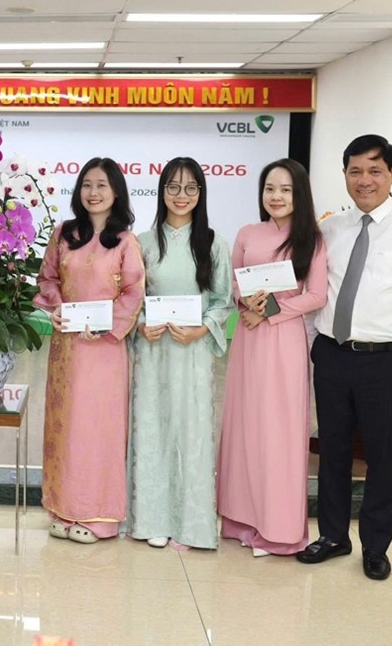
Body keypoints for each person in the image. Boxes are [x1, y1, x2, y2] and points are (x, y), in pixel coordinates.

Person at [297, 134, 392, 580]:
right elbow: (317, 296)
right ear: (344, 174)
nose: (365, 180)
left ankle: (376, 546)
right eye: (356, 171)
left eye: (375, 171)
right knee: (332, 451)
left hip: (387, 361)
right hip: (332, 355)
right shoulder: (329, 230)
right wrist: (309, 350)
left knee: (382, 457)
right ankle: (333, 536)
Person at [217, 158, 327, 556]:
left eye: (285, 189)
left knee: (279, 431)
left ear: (299, 195)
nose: (276, 196)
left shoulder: (311, 239)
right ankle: (241, 521)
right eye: (269, 189)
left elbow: (316, 295)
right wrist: (245, 303)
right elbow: (233, 283)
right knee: (245, 426)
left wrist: (271, 312)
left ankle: (278, 529)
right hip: (249, 340)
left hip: (284, 342)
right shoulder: (248, 233)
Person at [33, 157, 145, 544]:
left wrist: (106, 325)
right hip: (67, 348)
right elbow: (47, 278)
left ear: (117, 192)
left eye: (102, 185)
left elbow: (133, 292)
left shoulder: (126, 242)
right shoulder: (64, 233)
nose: (93, 193)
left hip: (104, 350)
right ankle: (63, 509)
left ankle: (99, 517)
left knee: (98, 429)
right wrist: (56, 307)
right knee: (66, 427)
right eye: (87, 185)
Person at [127, 157, 233, 550]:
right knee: (152, 428)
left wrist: (202, 329)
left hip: (192, 351)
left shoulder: (213, 243)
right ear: (162, 191)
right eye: (173, 187)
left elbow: (223, 300)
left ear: (200, 193)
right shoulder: (142, 243)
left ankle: (192, 525)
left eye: (190, 188)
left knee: (191, 432)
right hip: (153, 350)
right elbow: (131, 298)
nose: (181, 195)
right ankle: (151, 518)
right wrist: (141, 324)